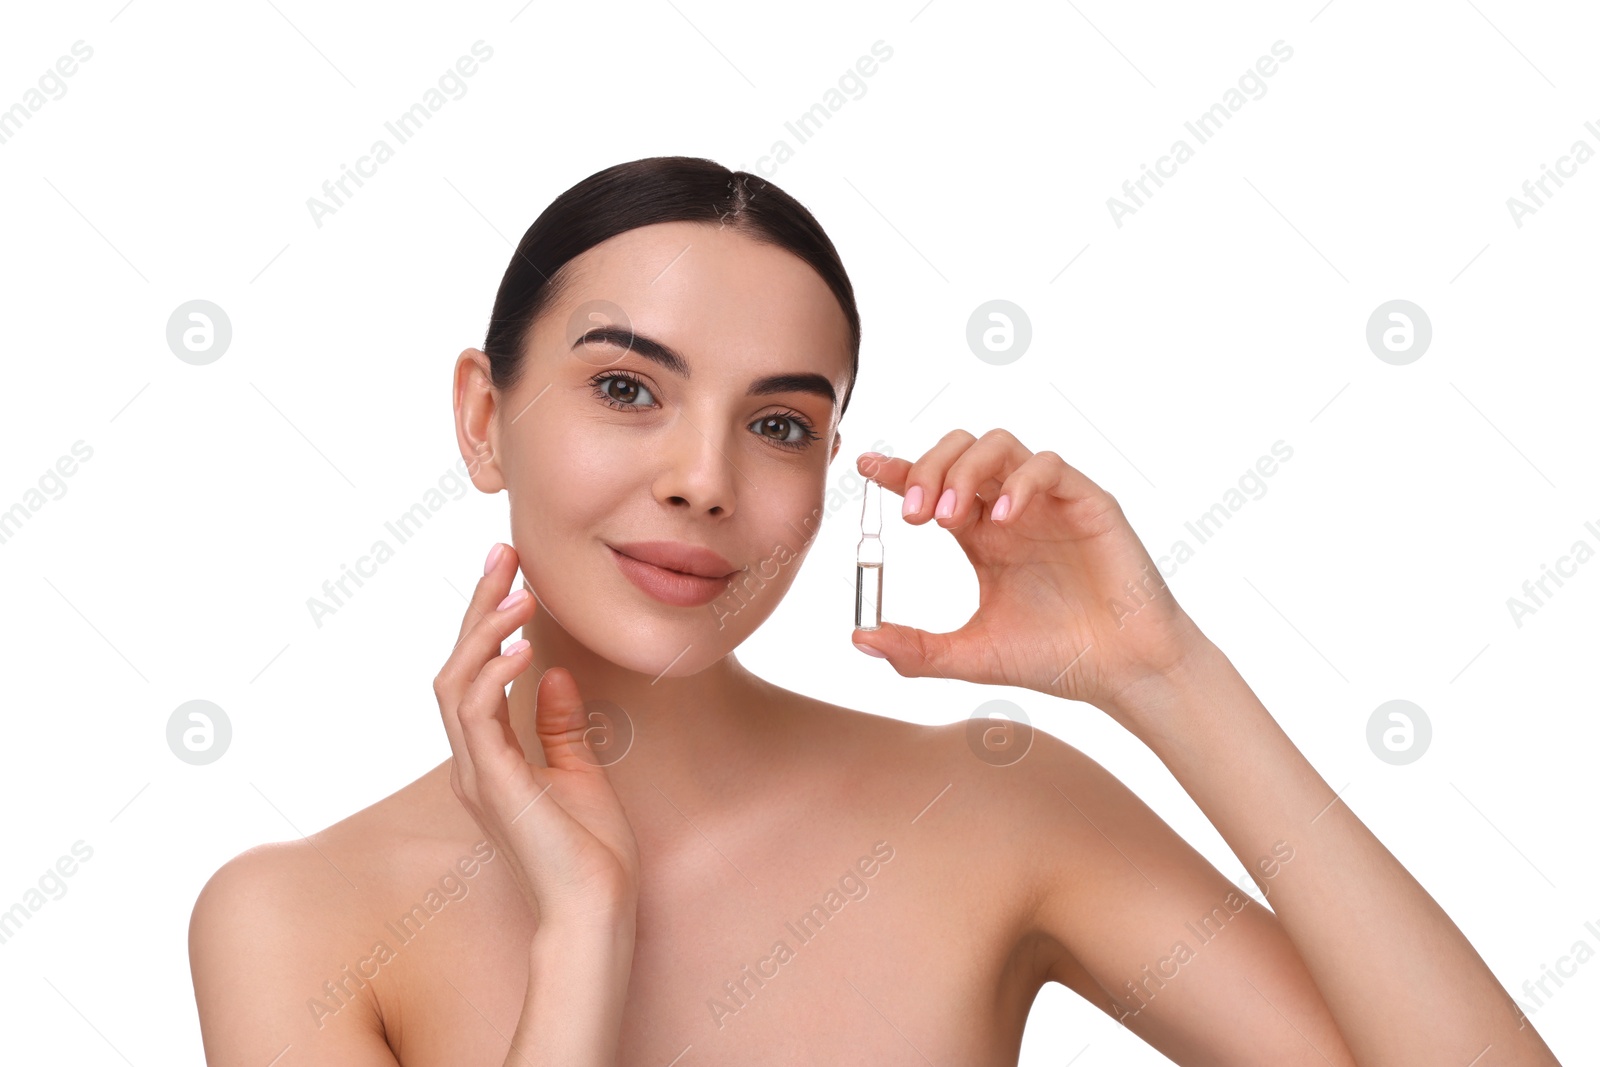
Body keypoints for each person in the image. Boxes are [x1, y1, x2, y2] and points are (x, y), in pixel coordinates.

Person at [188, 156, 1562, 1066]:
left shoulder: (994, 803)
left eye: (779, 424)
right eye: (626, 389)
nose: (703, 481)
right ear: (486, 420)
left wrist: (1164, 673)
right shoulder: (294, 922)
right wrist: (581, 938)